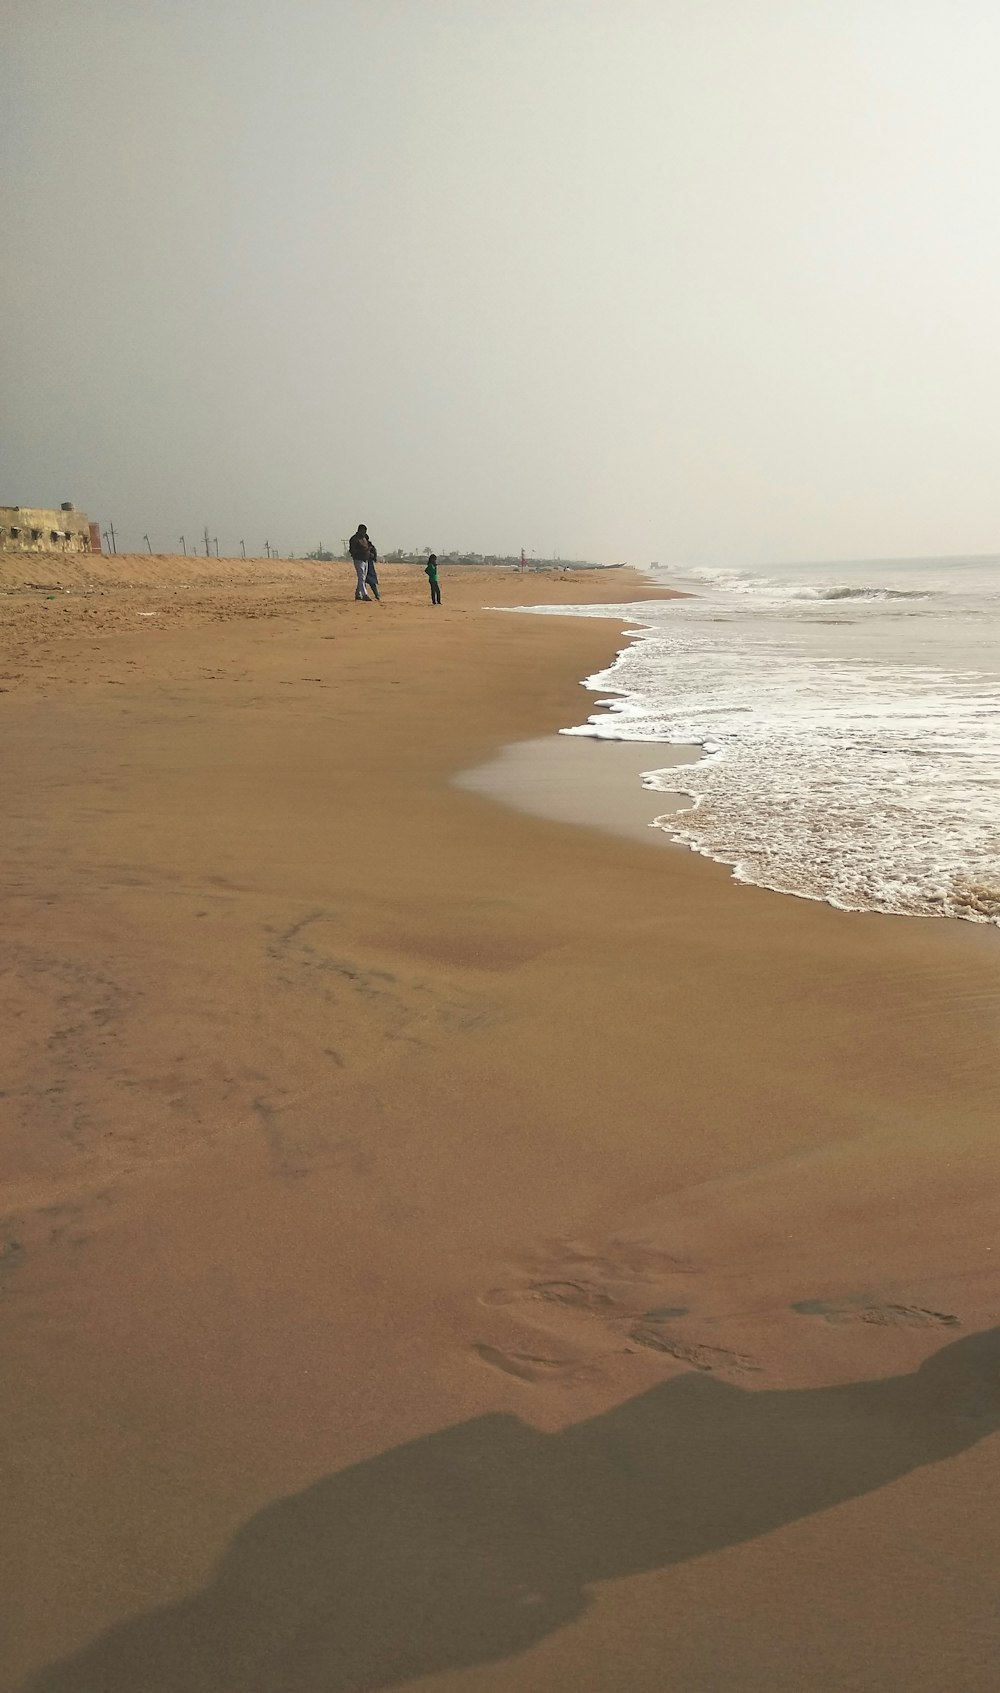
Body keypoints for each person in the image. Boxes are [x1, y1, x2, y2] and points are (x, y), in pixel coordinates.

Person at [348, 526, 372, 601]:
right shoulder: (354, 539)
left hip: (365, 560)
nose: (364, 533)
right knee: (361, 577)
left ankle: (358, 594)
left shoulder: (365, 538)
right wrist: (363, 551)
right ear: (359, 530)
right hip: (358, 560)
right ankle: (365, 594)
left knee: (363, 578)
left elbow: (369, 546)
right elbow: (352, 550)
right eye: (363, 531)